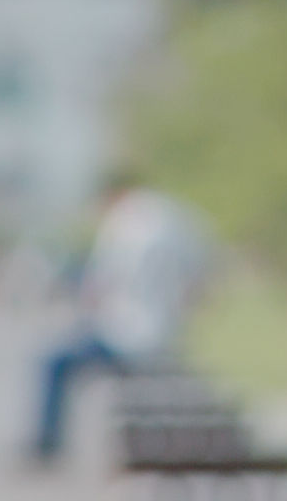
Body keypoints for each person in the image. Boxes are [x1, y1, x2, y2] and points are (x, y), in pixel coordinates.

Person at [30, 178, 214, 465]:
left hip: (124, 335)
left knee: (53, 360)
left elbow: (100, 284)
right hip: (165, 334)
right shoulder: (175, 218)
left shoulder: (122, 224)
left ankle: (47, 445)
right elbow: (204, 273)